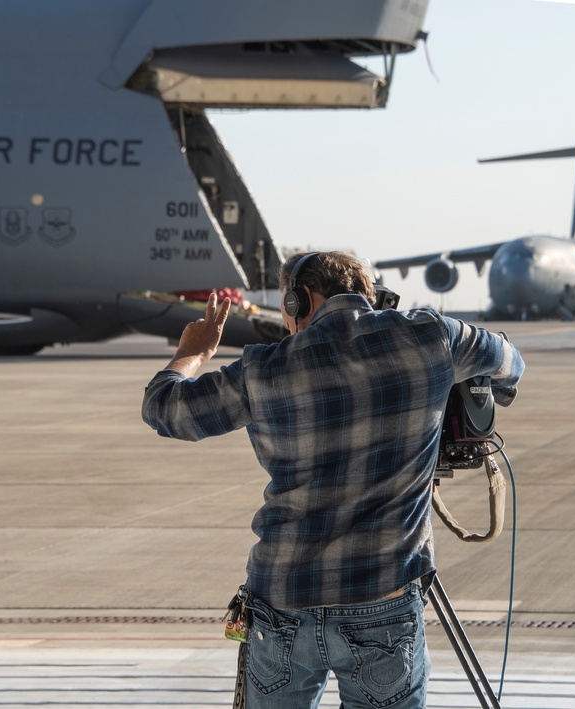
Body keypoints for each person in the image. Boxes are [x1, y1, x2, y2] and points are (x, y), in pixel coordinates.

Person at [142, 251, 524, 708]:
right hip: (384, 598)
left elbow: (165, 409)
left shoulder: (262, 368)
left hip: (281, 600)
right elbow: (509, 361)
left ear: (299, 300)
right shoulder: (431, 336)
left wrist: (192, 353)